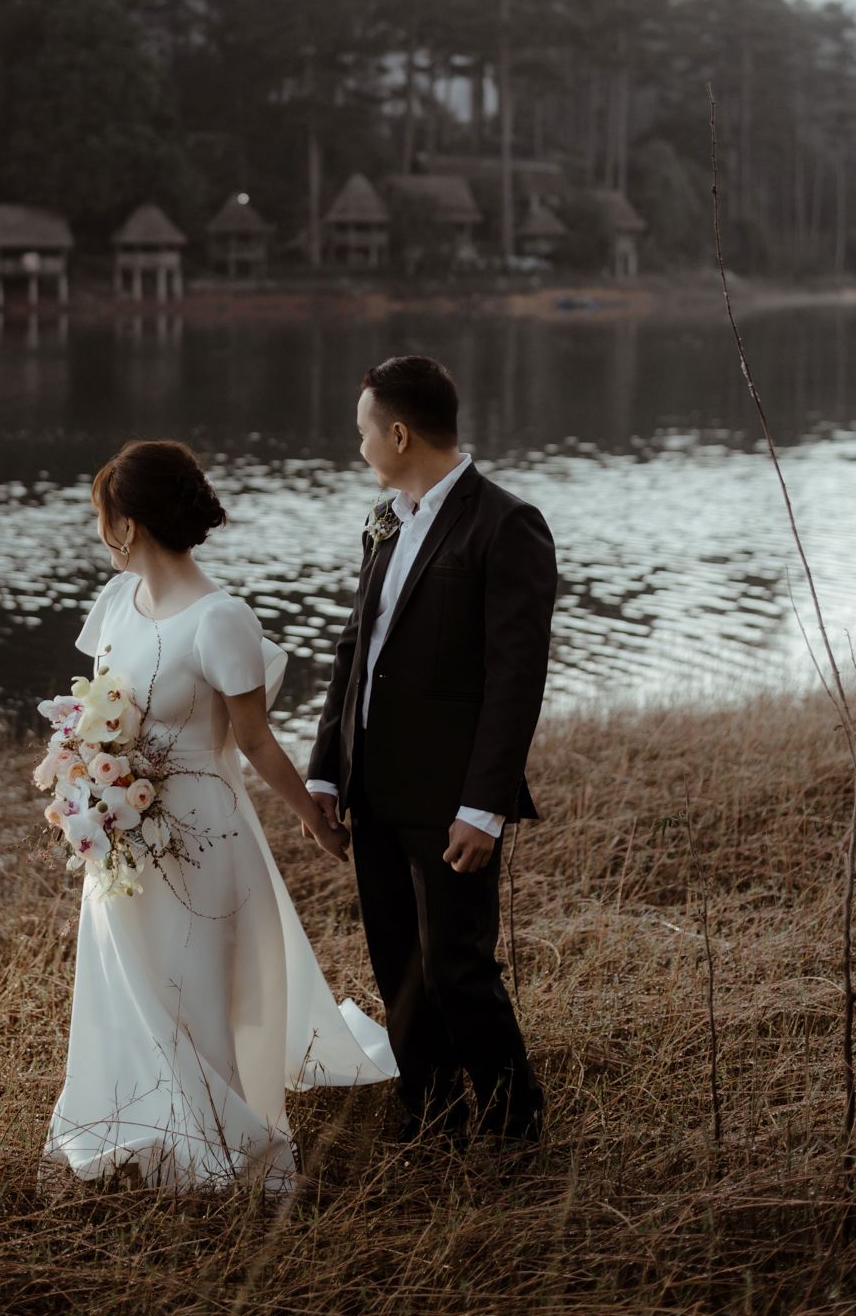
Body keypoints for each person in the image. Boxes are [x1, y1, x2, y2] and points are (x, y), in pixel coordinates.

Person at [44, 438, 397, 1191]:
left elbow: (255, 741)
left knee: (192, 983)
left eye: (102, 516)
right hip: (117, 829)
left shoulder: (220, 619)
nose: (99, 530)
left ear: (128, 524)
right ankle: (135, 1122)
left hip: (202, 834)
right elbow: (97, 708)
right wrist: (78, 776)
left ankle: (215, 1139)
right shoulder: (115, 602)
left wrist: (315, 819)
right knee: (127, 976)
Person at [306, 354, 556, 1146]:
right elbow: (354, 650)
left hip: (451, 795)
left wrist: (483, 807)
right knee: (398, 962)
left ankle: (515, 1123)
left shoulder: (505, 524)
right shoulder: (384, 520)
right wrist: (324, 771)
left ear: (399, 434)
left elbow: (515, 679)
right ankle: (430, 1115)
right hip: (372, 783)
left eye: (362, 432)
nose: (358, 447)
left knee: (457, 964)